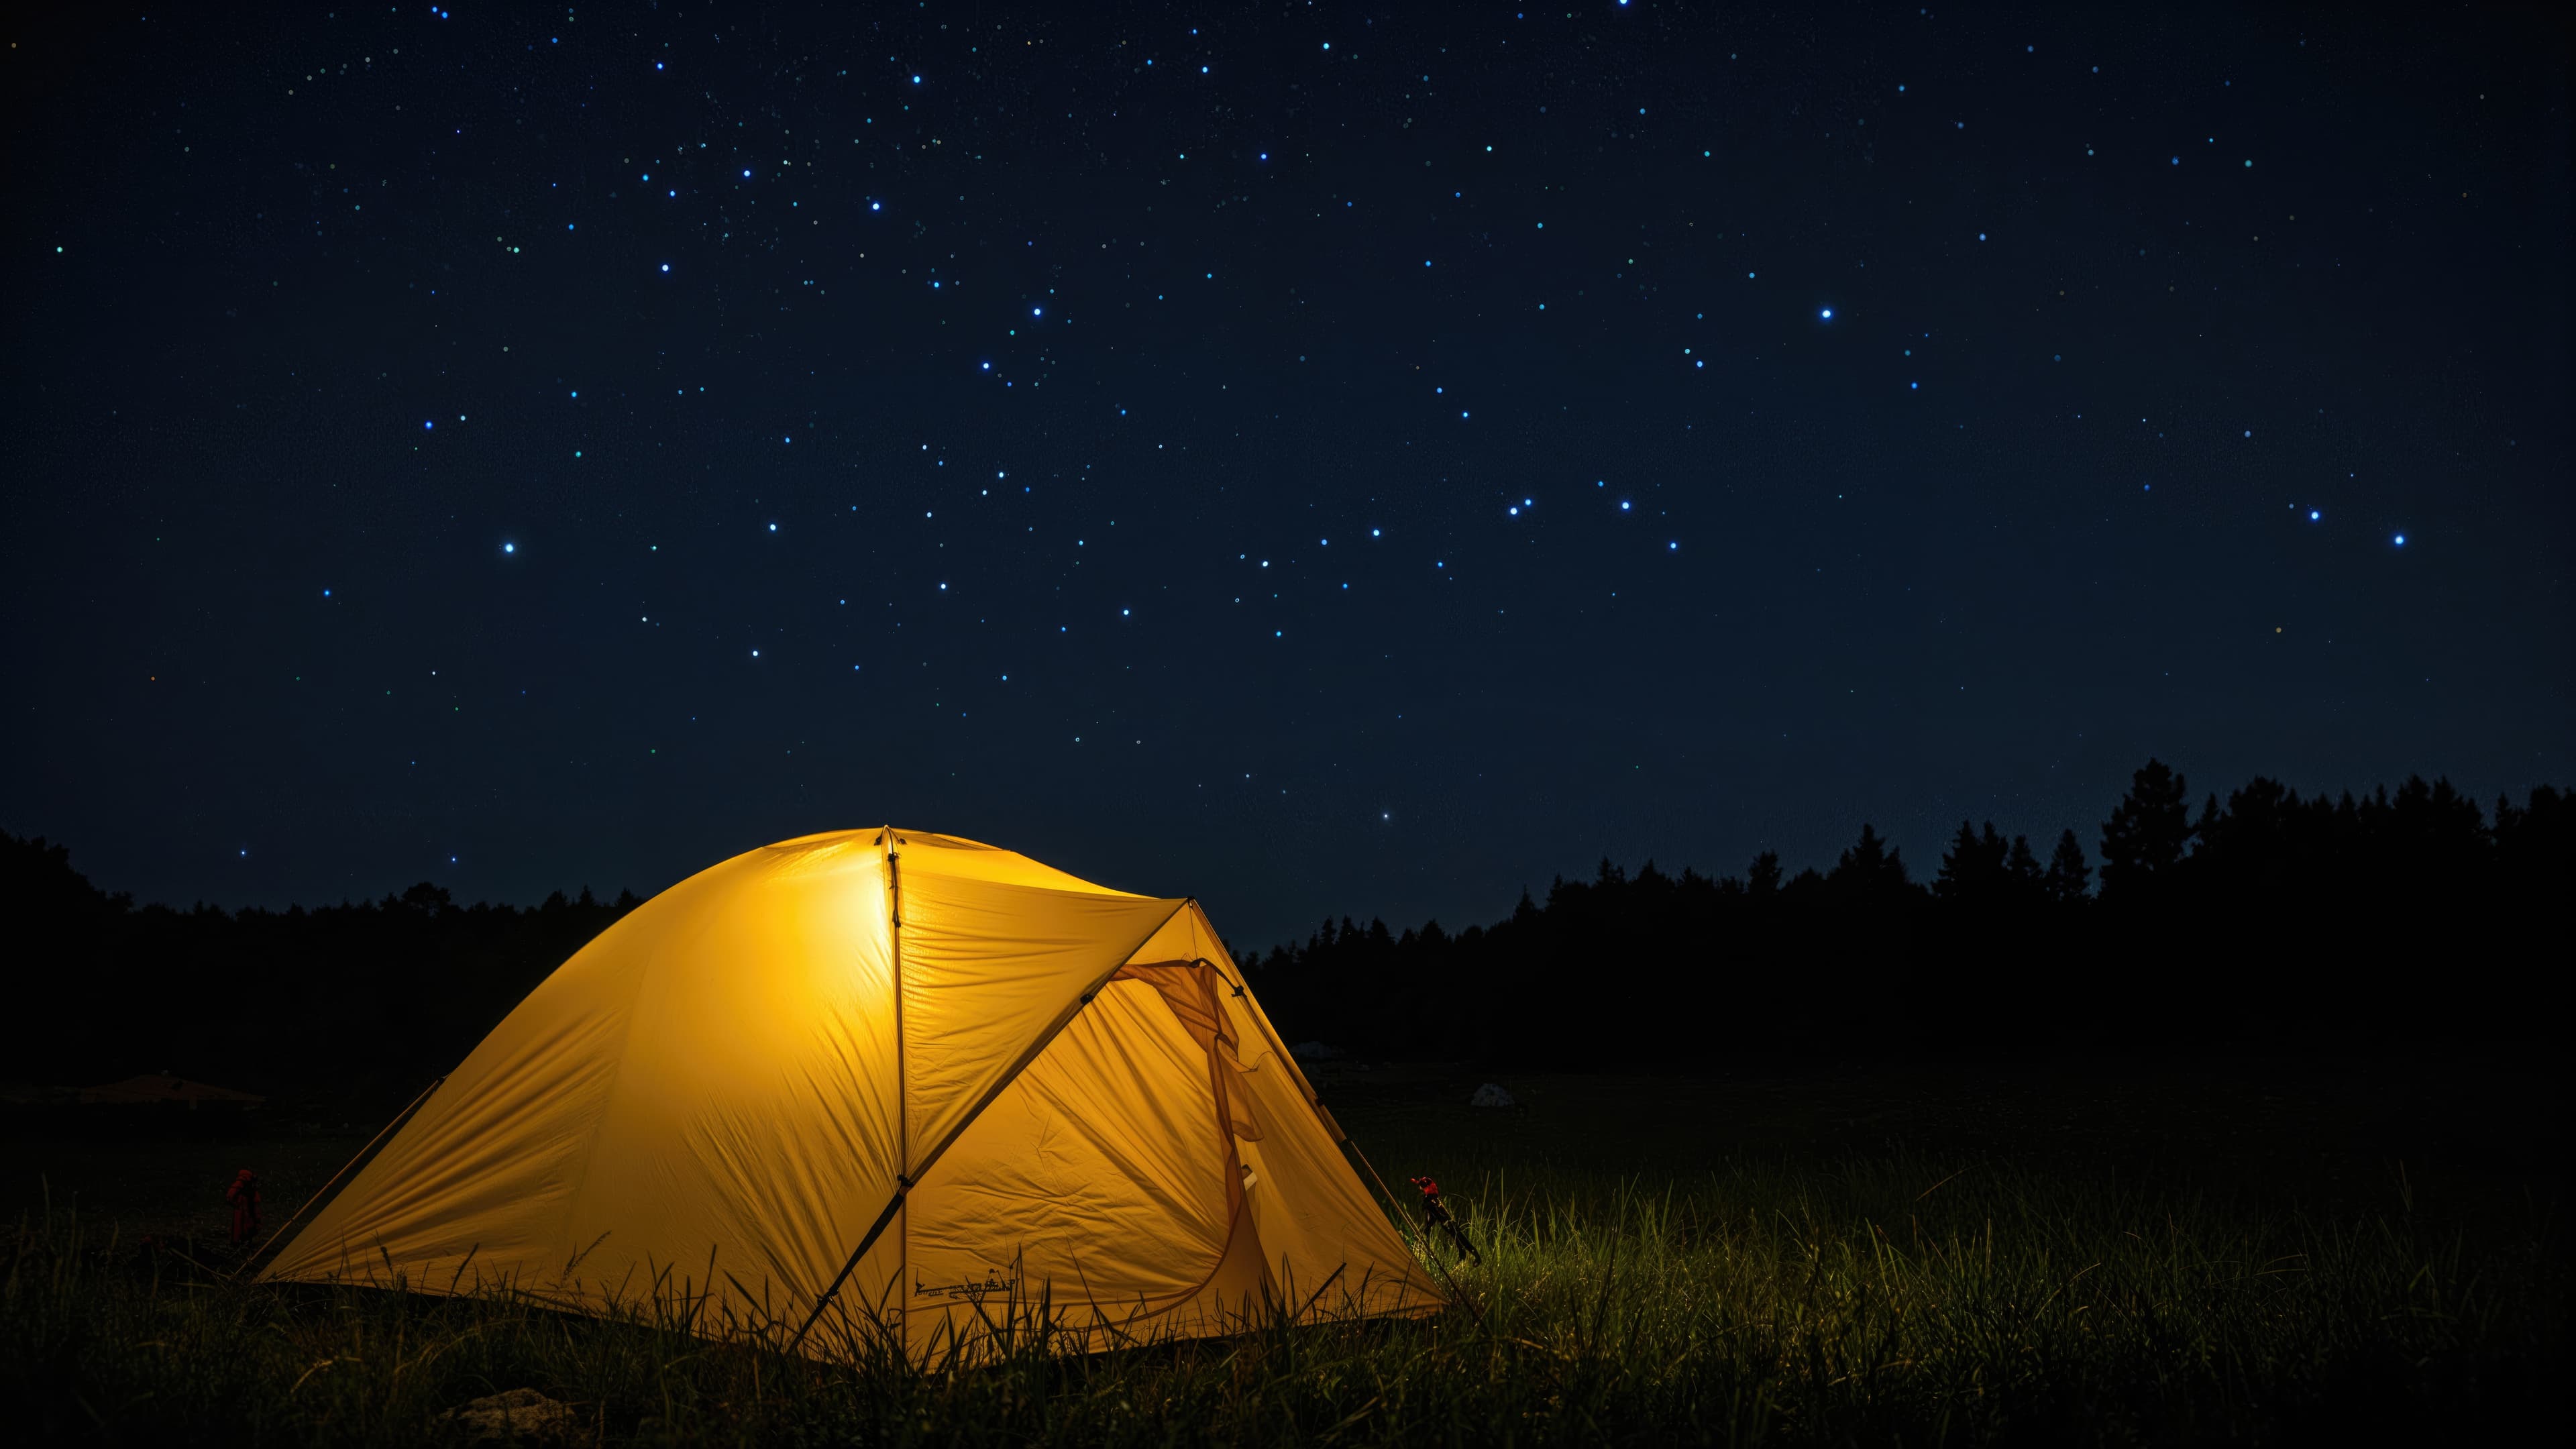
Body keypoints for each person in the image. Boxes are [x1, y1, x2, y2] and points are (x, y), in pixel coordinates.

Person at [226, 1168, 262, 1245]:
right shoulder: (242, 1182)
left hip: (247, 1207)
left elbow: (230, 1196)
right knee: (242, 1226)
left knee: (246, 1226)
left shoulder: (247, 1182)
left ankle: (243, 1241)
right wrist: (237, 1204)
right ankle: (240, 1242)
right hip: (243, 1209)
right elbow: (230, 1196)